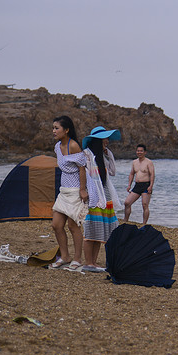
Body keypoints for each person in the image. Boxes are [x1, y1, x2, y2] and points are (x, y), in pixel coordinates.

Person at [80, 127, 122, 273]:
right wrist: (83, 191)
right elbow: (83, 173)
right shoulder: (86, 154)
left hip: (105, 194)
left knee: (100, 229)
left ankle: (94, 262)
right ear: (98, 140)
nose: (107, 141)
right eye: (105, 138)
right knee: (91, 227)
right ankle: (88, 262)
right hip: (94, 195)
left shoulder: (102, 155)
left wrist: (108, 154)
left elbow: (112, 171)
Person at [50, 115, 88, 271]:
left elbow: (82, 168)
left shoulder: (73, 146)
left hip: (75, 191)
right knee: (56, 225)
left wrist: (82, 190)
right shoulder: (57, 146)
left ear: (66, 130)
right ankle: (65, 256)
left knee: (73, 226)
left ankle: (77, 259)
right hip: (63, 190)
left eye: (56, 128)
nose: (53, 131)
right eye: (53, 128)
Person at [124, 144, 155, 224]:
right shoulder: (134, 162)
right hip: (137, 185)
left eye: (141, 151)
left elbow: (152, 174)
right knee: (127, 203)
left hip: (146, 185)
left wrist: (151, 186)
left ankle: (144, 223)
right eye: (138, 151)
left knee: (145, 204)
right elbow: (131, 174)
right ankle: (125, 221)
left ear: (145, 152)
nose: (139, 152)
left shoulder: (149, 162)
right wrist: (129, 185)